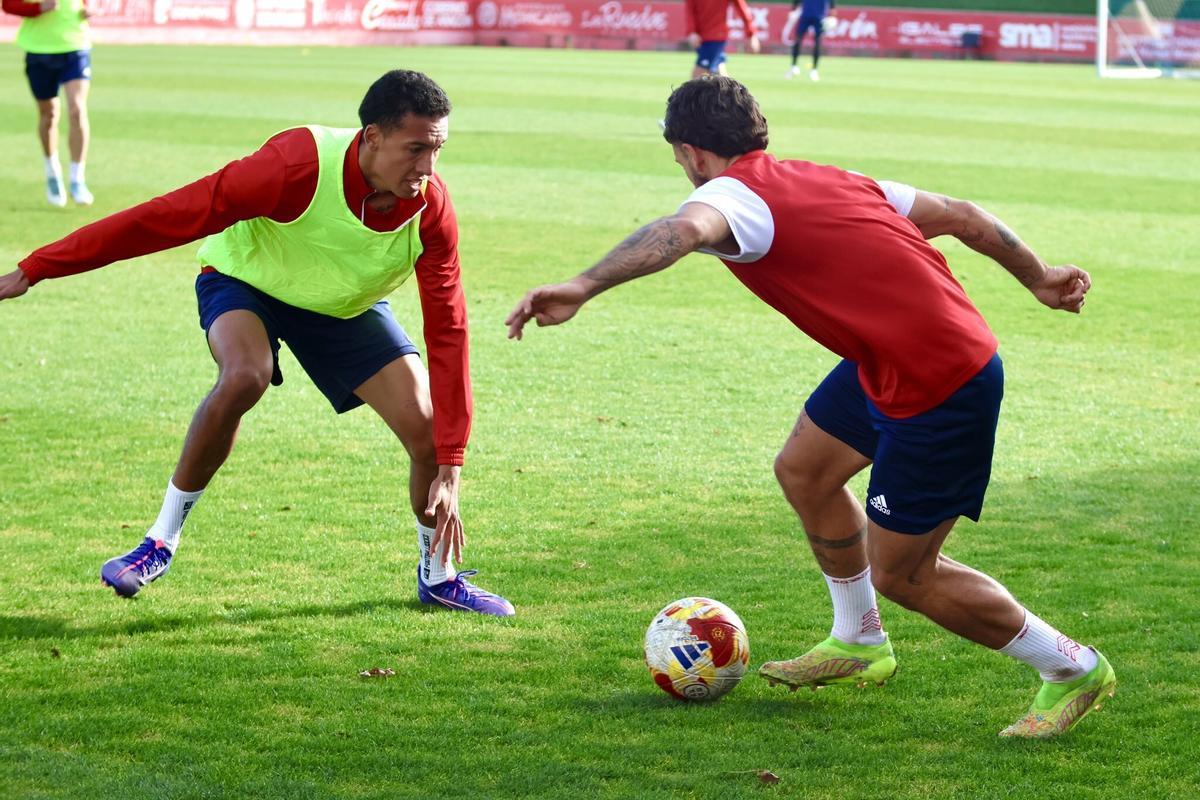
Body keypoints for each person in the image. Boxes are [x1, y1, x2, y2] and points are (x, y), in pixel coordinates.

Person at [506, 75, 1113, 737]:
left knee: (906, 575)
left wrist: (583, 285)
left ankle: (1071, 667)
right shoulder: (833, 178)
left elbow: (682, 231)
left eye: (680, 158)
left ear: (690, 152)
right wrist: (1039, 277)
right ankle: (858, 641)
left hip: (941, 382)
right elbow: (964, 217)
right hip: (886, 361)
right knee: (805, 470)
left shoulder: (731, 199)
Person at [0, 69, 514, 616]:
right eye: (415, 149)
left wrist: (452, 463)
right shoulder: (295, 165)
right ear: (372, 137)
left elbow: (449, 330)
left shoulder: (431, 207)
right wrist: (39, 267)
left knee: (431, 436)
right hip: (247, 282)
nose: (427, 168)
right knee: (246, 374)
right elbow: (168, 216)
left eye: (437, 150)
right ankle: (159, 541)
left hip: (341, 307)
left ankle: (438, 578)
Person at [3, 0, 95, 206]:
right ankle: (52, 172)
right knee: (49, 114)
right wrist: (37, 8)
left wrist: (89, 8)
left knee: (77, 109)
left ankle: (77, 178)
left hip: (76, 45)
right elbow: (8, 5)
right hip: (39, 50)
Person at [684, 0, 761, 79]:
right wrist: (691, 32)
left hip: (716, 36)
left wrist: (751, 34)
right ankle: (734, 91)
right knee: (719, 74)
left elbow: (742, 8)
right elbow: (690, 9)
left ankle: (733, 91)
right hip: (701, 38)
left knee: (697, 76)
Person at [785, 0, 835, 81]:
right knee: (798, 39)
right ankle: (794, 66)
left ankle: (814, 70)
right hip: (806, 14)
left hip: (820, 16)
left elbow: (832, 4)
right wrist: (793, 9)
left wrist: (832, 15)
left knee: (818, 42)